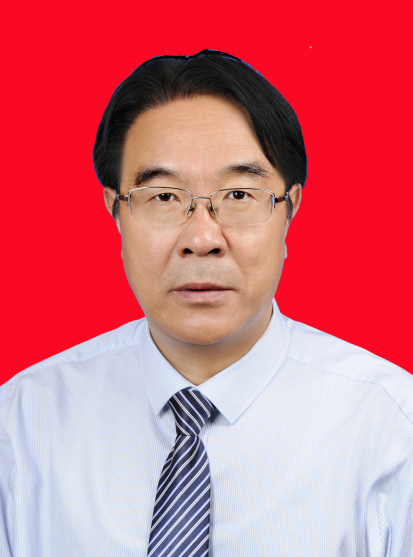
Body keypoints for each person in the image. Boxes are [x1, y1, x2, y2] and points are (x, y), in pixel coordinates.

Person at [0, 49, 412, 557]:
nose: (202, 239)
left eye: (238, 196)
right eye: (163, 197)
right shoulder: (22, 426)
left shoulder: (391, 432)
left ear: (290, 209)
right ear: (115, 211)